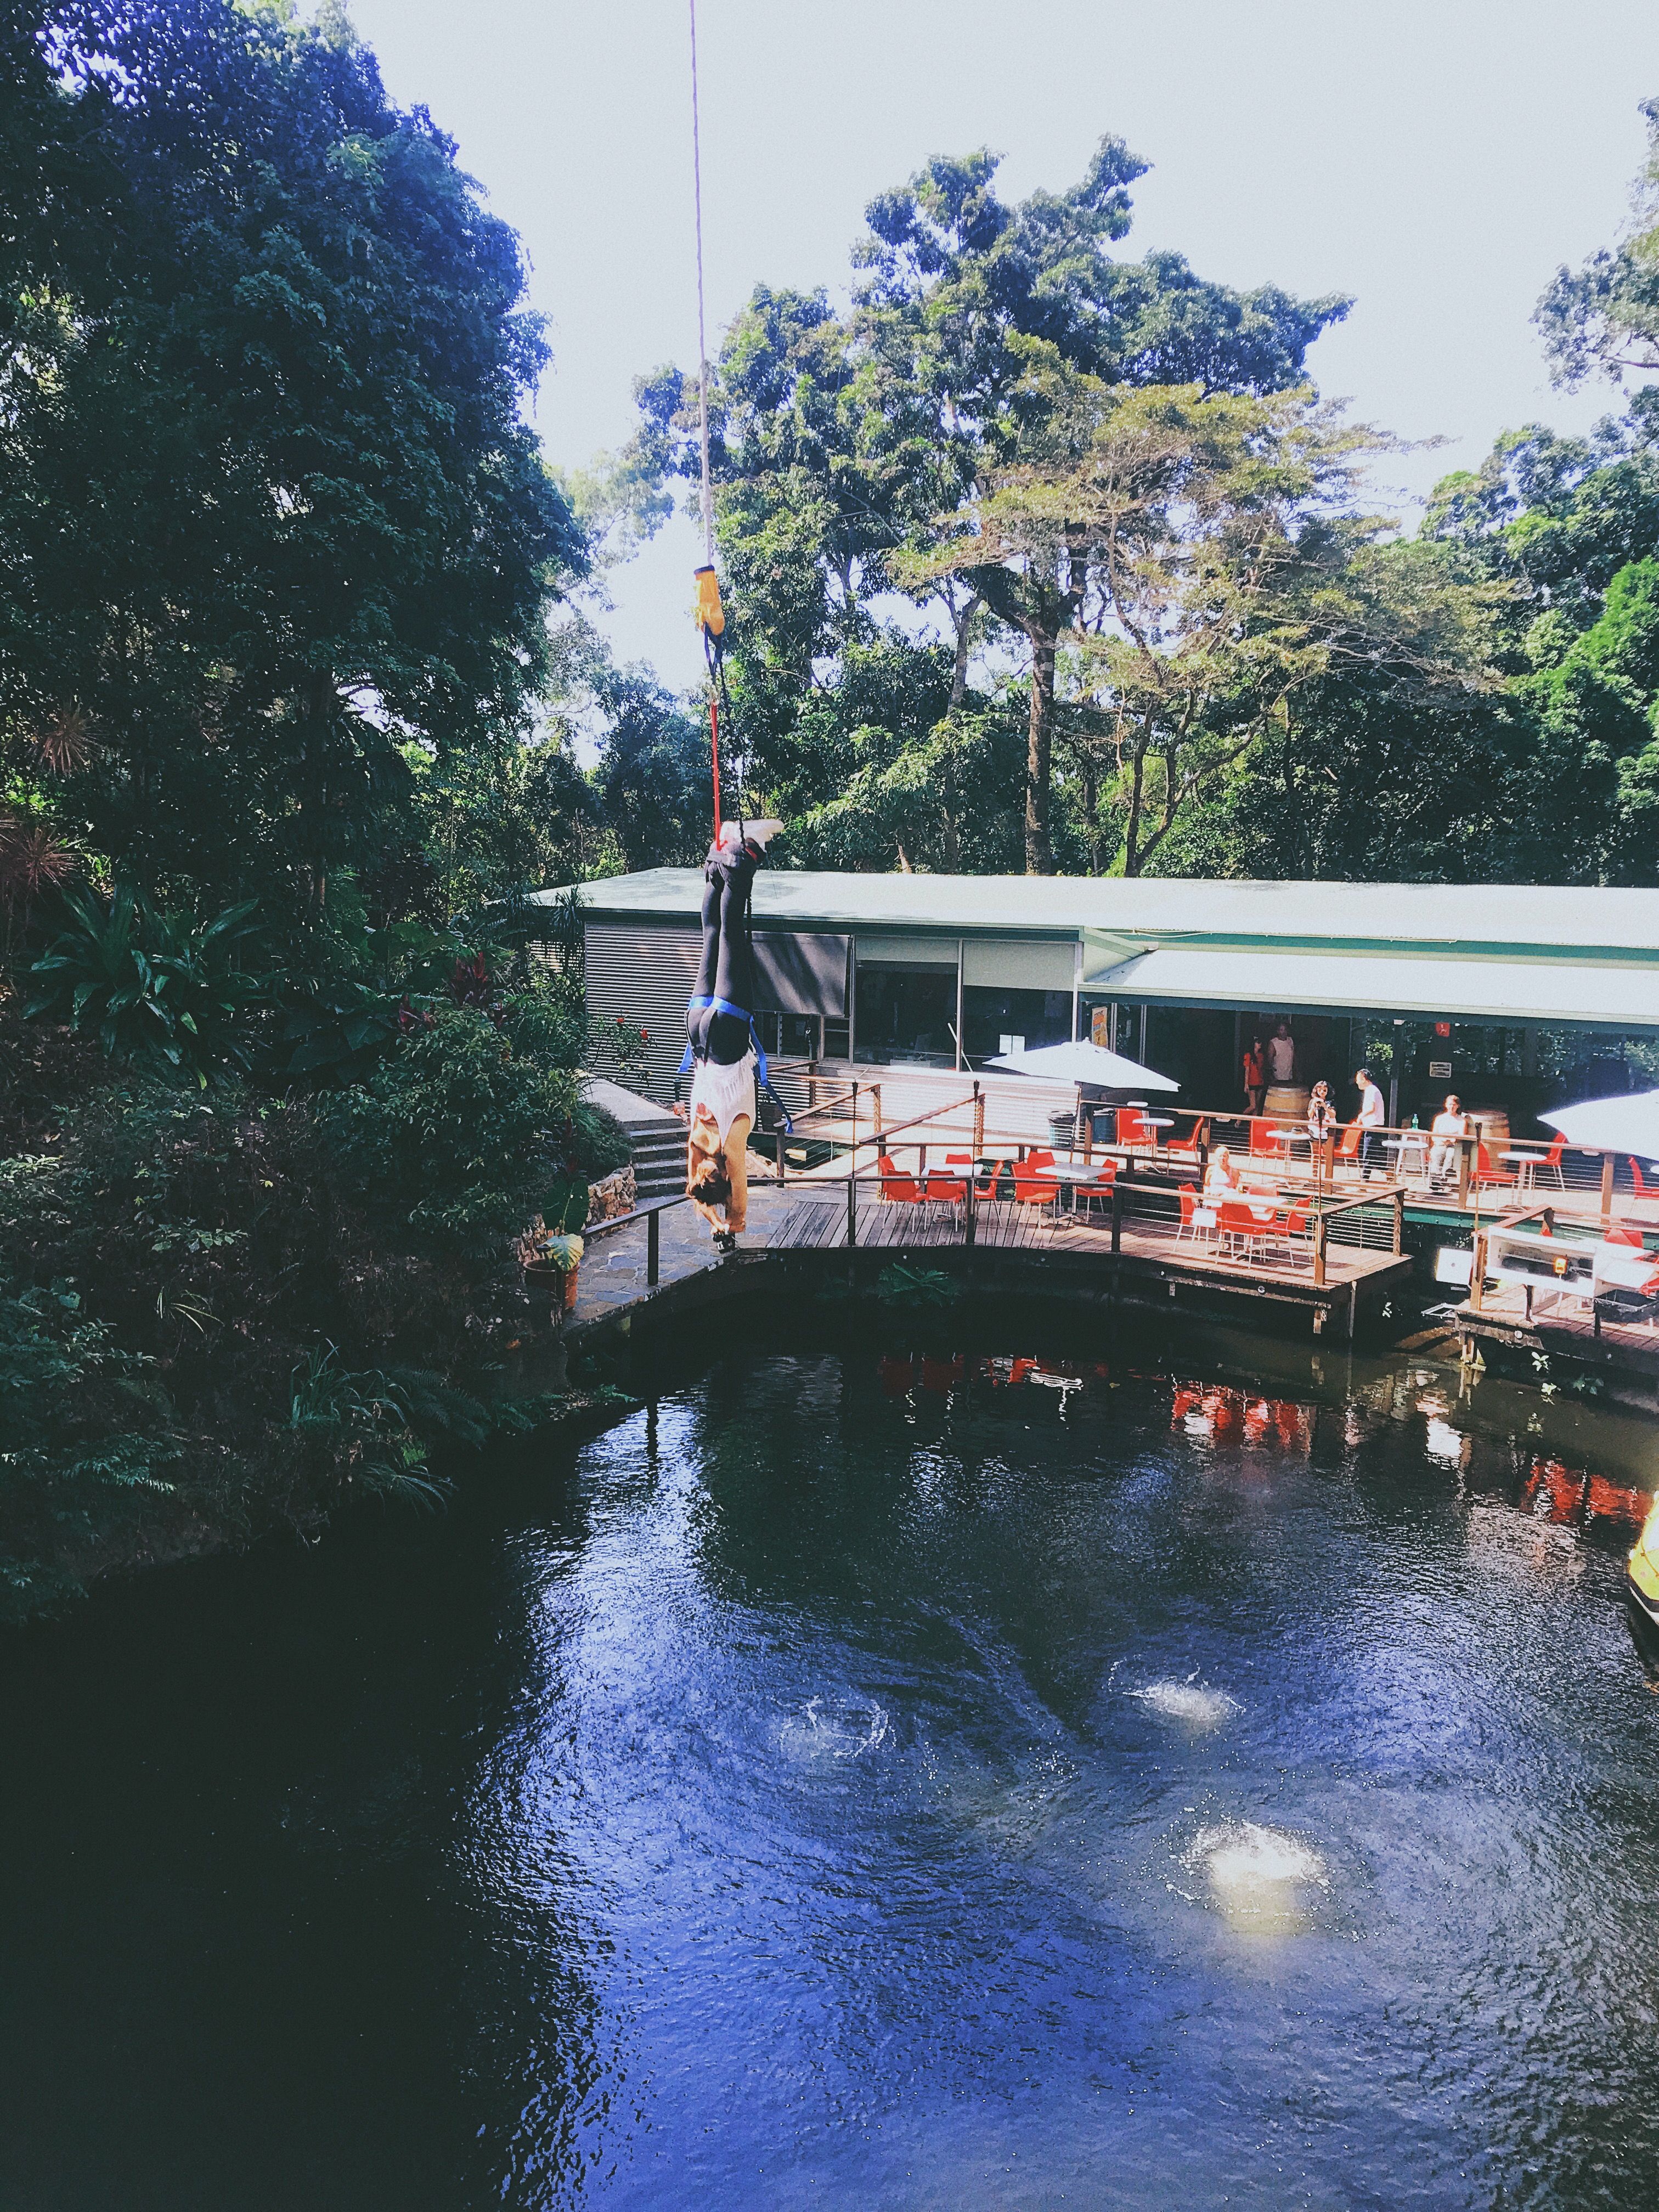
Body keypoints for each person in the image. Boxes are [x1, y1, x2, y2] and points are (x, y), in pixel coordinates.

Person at [681, 823, 767, 1248]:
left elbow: (739, 1197)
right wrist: (711, 1221)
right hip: (697, 1030)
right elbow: (694, 1197)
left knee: (732, 934)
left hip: (728, 1035)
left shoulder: (730, 1146)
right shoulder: (696, 1152)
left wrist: (732, 1225)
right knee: (711, 935)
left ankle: (745, 855)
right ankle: (715, 872)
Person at [1427, 1093, 1467, 1192]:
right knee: (1437, 1154)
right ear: (1445, 1105)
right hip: (1440, 1143)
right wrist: (1442, 1140)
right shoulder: (1440, 1119)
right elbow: (1434, 1136)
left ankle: (1443, 1181)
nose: (1452, 1107)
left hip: (1454, 1145)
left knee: (1451, 1156)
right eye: (1449, 1104)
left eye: (1454, 1105)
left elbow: (1461, 1136)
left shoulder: (1462, 1120)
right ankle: (1436, 1181)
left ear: (1458, 1106)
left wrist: (1452, 1139)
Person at [1354, 1066, 1386, 1177]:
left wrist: (1361, 1115)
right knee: (1372, 1154)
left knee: (1367, 1154)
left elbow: (1371, 1108)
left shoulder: (1371, 1090)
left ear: (1364, 1078)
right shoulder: (1371, 1090)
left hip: (1374, 1126)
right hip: (1372, 1126)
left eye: (1358, 1079)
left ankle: (1364, 1182)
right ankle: (1389, 1174)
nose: (1356, 1082)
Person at [1306, 1079, 1336, 1184]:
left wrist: (1325, 1107)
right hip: (1314, 1130)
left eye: (1325, 1090)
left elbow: (1333, 1115)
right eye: (1320, 1089)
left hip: (1327, 1131)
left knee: (1327, 1155)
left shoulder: (1330, 1102)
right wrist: (1314, 1106)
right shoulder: (1312, 1101)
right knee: (1315, 1154)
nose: (1322, 1092)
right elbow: (1309, 1115)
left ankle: (1327, 1178)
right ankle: (1314, 1176)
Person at [1242, 1035, 1266, 1118]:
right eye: (1258, 1043)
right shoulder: (1248, 1056)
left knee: (1257, 1107)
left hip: (1260, 1082)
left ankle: (1253, 1126)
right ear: (1254, 1044)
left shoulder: (1261, 1056)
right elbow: (1247, 1070)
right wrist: (1246, 1084)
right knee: (1253, 1106)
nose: (1260, 1044)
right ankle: (1239, 1120)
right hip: (1252, 1083)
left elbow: (1262, 1069)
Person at [1266, 1019, 1295, 1086]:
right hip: (1278, 1078)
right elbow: (1269, 1060)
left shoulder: (1290, 1041)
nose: (1284, 1032)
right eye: (1281, 1030)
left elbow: (1294, 1057)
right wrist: (1272, 1075)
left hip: (1289, 1076)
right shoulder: (1274, 1043)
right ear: (1278, 1031)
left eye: (1285, 1030)